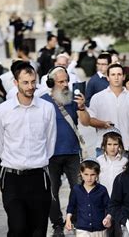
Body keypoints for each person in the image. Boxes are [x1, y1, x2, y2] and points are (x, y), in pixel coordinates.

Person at [0, 62, 57, 236]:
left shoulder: (47, 108)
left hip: (39, 177)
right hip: (13, 178)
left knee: (38, 230)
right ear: (16, 83)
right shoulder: (2, 110)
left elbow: (50, 141)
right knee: (17, 228)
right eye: (25, 82)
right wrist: (14, 160)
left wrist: (38, 161)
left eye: (32, 82)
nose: (30, 86)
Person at [40, 66, 90, 236]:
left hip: (72, 153)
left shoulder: (72, 99)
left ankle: (74, 219)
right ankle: (57, 225)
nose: (65, 84)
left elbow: (85, 122)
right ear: (51, 83)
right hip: (51, 156)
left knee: (78, 188)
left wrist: (82, 107)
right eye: (61, 81)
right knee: (52, 192)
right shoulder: (42, 101)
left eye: (66, 80)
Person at [89, 64, 129, 155]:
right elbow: (91, 120)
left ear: (124, 77)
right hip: (103, 147)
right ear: (107, 77)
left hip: (126, 146)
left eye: (119, 74)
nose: (116, 77)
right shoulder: (97, 97)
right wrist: (103, 124)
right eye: (113, 75)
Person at [65, 159, 112, 236]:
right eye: (86, 174)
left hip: (99, 229)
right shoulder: (76, 189)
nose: (89, 178)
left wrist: (108, 218)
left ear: (97, 174)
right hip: (82, 229)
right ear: (81, 173)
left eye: (92, 174)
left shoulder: (102, 190)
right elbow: (71, 206)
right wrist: (68, 220)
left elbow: (109, 207)